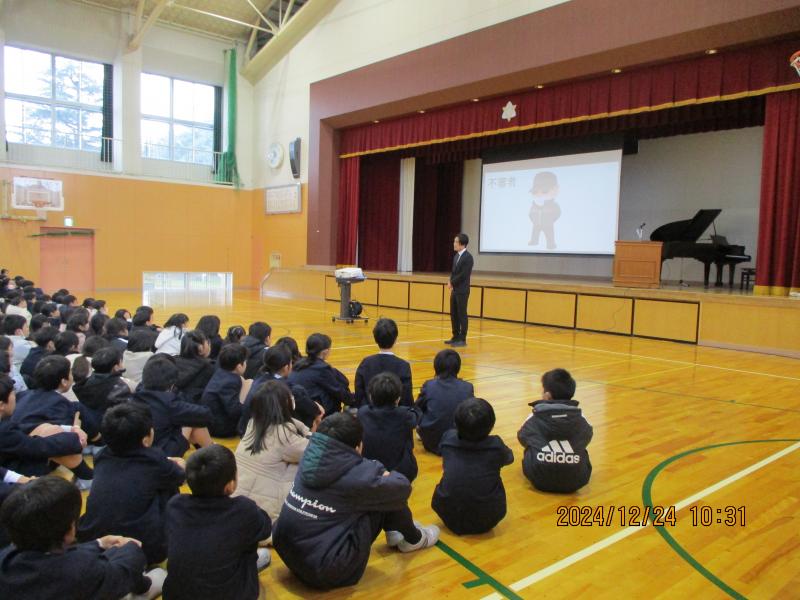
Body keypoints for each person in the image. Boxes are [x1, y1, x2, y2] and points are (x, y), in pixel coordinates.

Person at [273, 413, 439, 590]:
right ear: (358, 446)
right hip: (325, 570)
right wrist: (376, 468)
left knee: (375, 491)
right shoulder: (356, 475)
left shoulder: (309, 456)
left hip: (288, 552)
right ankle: (415, 539)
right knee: (384, 493)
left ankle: (396, 532)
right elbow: (402, 487)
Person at [0, 476, 164, 600]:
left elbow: (60, 557)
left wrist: (99, 544)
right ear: (70, 529)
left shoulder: (7, 558)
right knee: (160, 575)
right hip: (90, 581)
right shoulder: (81, 569)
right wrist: (131, 547)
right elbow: (123, 570)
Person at [77, 403, 186, 566]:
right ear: (146, 439)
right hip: (144, 549)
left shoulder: (101, 456)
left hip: (94, 541)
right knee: (168, 485)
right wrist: (180, 463)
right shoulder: (154, 459)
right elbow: (180, 476)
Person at [164, 445, 272, 600]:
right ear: (230, 486)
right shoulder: (243, 509)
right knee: (258, 550)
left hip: (176, 595)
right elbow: (266, 528)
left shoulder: (175, 505)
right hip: (230, 594)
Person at [431, 397, 514, 535]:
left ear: (456, 424)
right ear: (491, 425)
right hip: (488, 517)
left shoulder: (448, 439)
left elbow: (441, 451)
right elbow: (509, 459)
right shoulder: (496, 446)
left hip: (448, 513)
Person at [234, 380, 311, 520]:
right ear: (286, 404)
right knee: (302, 464)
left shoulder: (253, 423)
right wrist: (309, 430)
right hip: (264, 513)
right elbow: (314, 449)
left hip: (236, 501)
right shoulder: (284, 437)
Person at [517, 368, 593, 493]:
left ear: (547, 395)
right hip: (576, 480)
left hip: (538, 478)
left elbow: (522, 437)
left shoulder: (535, 416)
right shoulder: (580, 417)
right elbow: (588, 436)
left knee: (531, 445)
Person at [0, 374, 86, 479]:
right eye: (13, 395)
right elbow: (38, 447)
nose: (15, 398)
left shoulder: (5, 425)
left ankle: (86, 476)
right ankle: (87, 476)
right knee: (57, 445)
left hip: (13, 457)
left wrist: (69, 429)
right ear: (1, 405)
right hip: (12, 470)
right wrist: (75, 438)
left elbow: (21, 427)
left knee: (49, 430)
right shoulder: (4, 431)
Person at [132, 355, 213, 458]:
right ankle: (213, 454)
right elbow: (205, 414)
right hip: (161, 453)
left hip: (136, 450)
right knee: (191, 421)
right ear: (172, 384)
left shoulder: (136, 395)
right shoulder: (168, 403)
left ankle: (210, 451)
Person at [238, 344, 321, 435]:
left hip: (245, 429)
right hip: (260, 434)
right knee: (311, 414)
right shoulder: (283, 388)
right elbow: (311, 409)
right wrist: (317, 410)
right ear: (286, 367)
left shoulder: (260, 375)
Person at [358, 372, 419, 481]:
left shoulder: (362, 413)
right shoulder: (405, 415)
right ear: (398, 399)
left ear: (370, 396)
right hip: (400, 472)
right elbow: (417, 417)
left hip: (369, 470)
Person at [415, 349, 474, 454]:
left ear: (436, 366)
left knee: (419, 410)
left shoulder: (429, 385)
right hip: (459, 441)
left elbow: (417, 408)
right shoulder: (467, 387)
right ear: (458, 367)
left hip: (432, 442)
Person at [72, 347, 132, 443]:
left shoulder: (84, 383)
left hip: (87, 432)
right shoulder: (119, 387)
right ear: (116, 367)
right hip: (109, 435)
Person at [288, 333, 353, 417]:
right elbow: (337, 390)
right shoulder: (321, 368)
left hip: (296, 407)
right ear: (325, 352)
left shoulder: (300, 363)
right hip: (313, 411)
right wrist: (353, 400)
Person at [354, 318, 413, 407]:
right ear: (395, 339)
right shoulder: (403, 366)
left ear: (375, 339)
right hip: (395, 413)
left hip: (369, 412)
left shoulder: (366, 363)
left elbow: (359, 395)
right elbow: (407, 400)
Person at [201, 343, 250, 438]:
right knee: (249, 383)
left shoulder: (221, 372)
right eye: (245, 361)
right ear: (239, 366)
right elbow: (234, 411)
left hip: (212, 421)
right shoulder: (229, 382)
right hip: (221, 428)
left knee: (247, 382)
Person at [446, 233, 474, 347]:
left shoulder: (468, 258)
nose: (454, 244)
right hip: (455, 289)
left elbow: (463, 275)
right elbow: (454, 272)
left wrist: (452, 282)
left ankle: (462, 339)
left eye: (456, 242)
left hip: (462, 290)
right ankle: (455, 336)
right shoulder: (456, 256)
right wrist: (450, 280)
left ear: (462, 244)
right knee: (454, 313)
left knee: (462, 314)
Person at [174, 330, 215, 404]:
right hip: (197, 407)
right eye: (207, 343)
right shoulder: (210, 368)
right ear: (200, 348)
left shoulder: (172, 362)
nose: (209, 345)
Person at [528, 171, 561, 249]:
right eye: (535, 192)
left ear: (555, 189)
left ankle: (551, 245)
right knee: (535, 233)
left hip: (548, 224)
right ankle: (534, 242)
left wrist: (550, 220)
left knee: (549, 235)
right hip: (536, 224)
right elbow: (530, 214)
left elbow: (557, 213)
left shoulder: (552, 205)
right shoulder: (534, 205)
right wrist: (534, 220)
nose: (539, 195)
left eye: (544, 191)